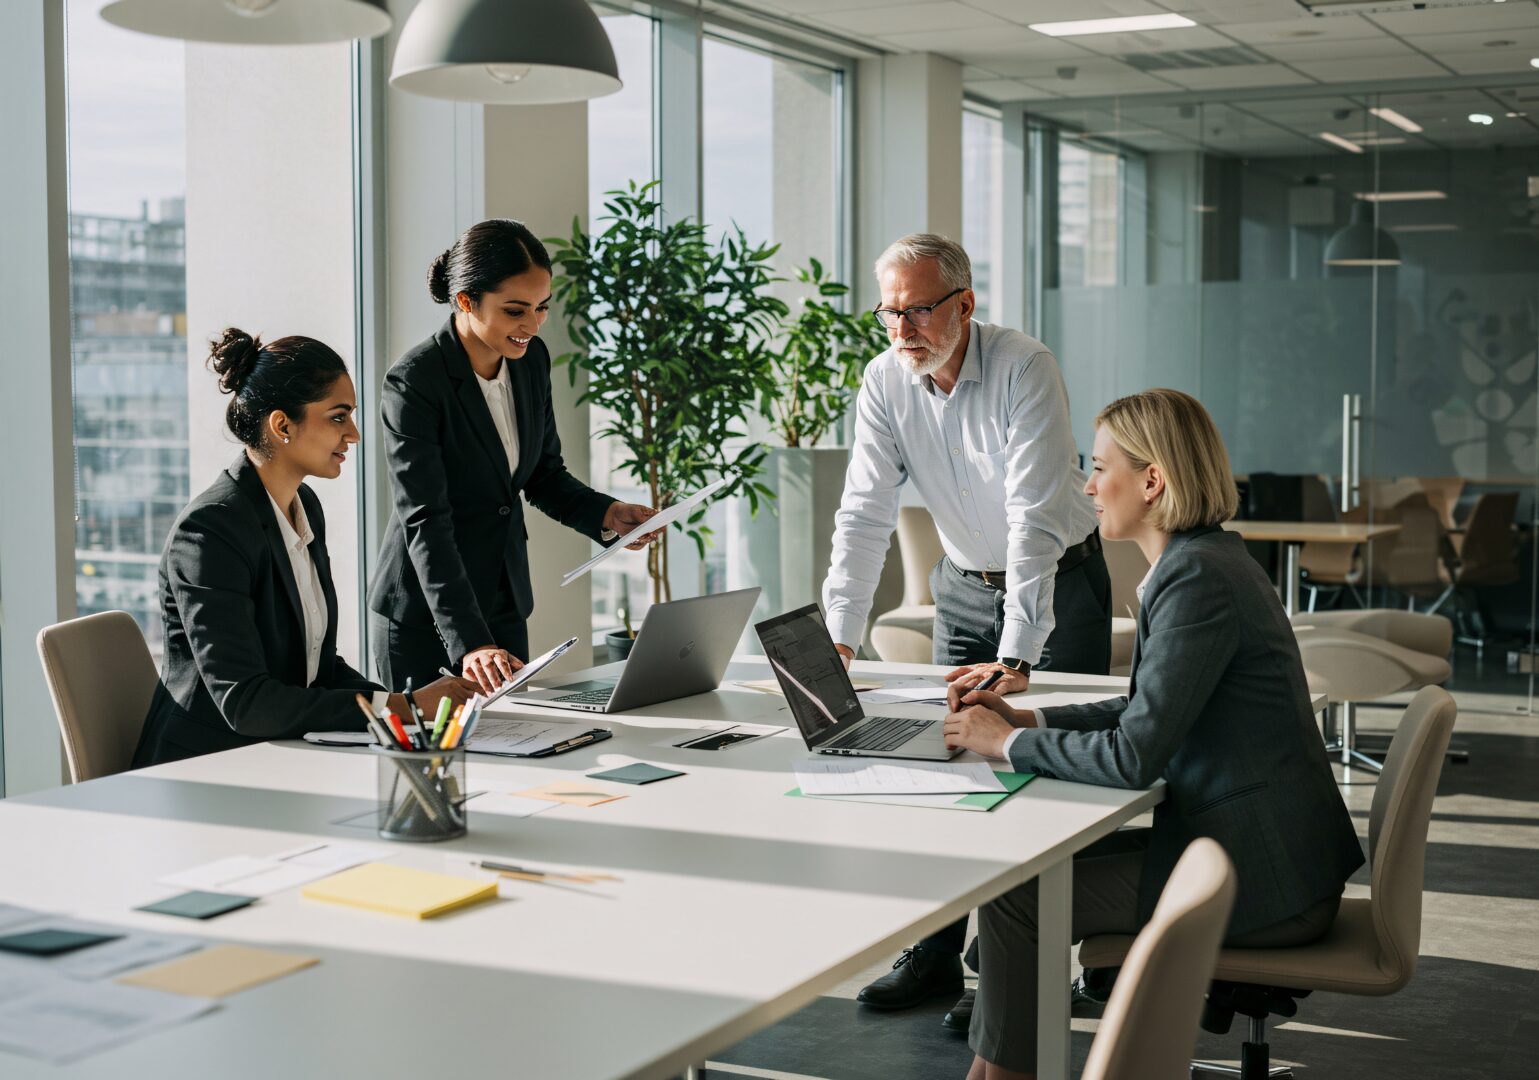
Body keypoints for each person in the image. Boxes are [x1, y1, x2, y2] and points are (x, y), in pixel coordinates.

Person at [942, 389, 1365, 1080]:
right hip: (1261, 847)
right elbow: (1147, 707)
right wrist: (1029, 719)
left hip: (1262, 878)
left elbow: (1134, 756)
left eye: (1099, 466)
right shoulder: (1203, 560)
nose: (1087, 484)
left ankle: (999, 1076)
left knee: (1018, 896)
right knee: (1026, 880)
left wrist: (1001, 745)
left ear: (1151, 480)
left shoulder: (1196, 576)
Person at [826, 234, 1110, 1020]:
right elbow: (863, 513)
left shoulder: (1024, 366)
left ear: (964, 304)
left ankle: (1039, 973)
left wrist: (1019, 649)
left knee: (1048, 769)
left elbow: (1031, 519)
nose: (903, 327)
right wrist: (839, 634)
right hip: (958, 587)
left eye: (918, 309)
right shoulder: (884, 381)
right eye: (890, 312)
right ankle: (935, 957)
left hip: (1058, 580)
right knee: (945, 767)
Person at [133, 330, 473, 767]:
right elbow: (245, 702)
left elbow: (317, 668)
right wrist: (403, 708)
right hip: (209, 768)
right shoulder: (209, 530)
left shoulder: (303, 506)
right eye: (337, 417)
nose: (353, 433)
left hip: (282, 752)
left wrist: (404, 705)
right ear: (282, 425)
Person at [368, 219, 659, 694]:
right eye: (515, 310)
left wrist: (607, 515)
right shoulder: (415, 382)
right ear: (465, 300)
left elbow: (543, 474)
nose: (532, 324)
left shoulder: (531, 361)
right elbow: (426, 520)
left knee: (515, 754)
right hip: (427, 617)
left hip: (503, 601)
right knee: (433, 762)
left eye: (542, 308)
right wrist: (470, 644)